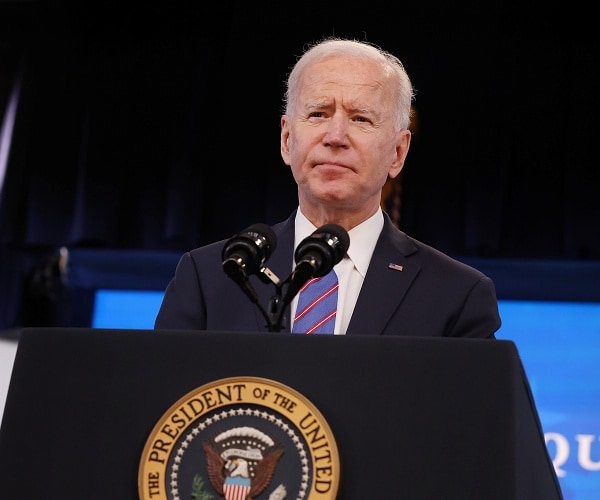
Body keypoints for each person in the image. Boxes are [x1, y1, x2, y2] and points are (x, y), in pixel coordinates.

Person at [154, 37, 501, 338]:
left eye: (360, 118)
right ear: (287, 139)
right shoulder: (210, 276)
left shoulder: (458, 295)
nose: (335, 137)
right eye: (318, 114)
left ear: (398, 152)